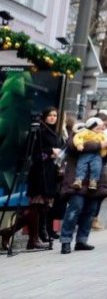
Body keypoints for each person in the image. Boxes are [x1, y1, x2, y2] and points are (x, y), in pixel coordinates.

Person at [0, 106, 65, 250]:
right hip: (39, 173)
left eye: (55, 115)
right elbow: (32, 153)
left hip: (50, 173)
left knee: (40, 208)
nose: (53, 118)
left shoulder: (54, 133)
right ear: (44, 116)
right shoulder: (39, 133)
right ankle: (31, 239)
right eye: (50, 115)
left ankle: (11, 233)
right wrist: (50, 153)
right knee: (36, 207)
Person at [59, 113, 107, 254]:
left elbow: (105, 158)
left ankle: (82, 240)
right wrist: (99, 144)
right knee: (75, 209)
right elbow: (74, 146)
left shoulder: (102, 137)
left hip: (95, 180)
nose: (103, 128)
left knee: (90, 212)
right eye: (102, 124)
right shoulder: (79, 131)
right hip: (77, 179)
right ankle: (65, 241)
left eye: (105, 126)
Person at [71, 116, 107, 189]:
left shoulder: (102, 135)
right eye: (97, 128)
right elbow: (78, 137)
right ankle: (78, 180)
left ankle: (93, 181)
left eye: (100, 128)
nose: (99, 130)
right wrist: (79, 144)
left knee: (97, 167)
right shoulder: (86, 132)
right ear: (91, 127)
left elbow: (106, 142)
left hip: (96, 154)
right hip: (85, 153)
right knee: (81, 165)